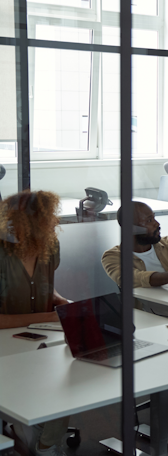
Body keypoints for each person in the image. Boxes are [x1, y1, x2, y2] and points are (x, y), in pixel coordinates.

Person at [0, 191, 72, 456]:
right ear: (20, 222)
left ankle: (44, 444)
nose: (53, 224)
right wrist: (47, 317)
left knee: (71, 380)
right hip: (6, 345)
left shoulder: (49, 246)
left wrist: (61, 301)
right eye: (45, 219)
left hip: (41, 338)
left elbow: (43, 289)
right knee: (30, 393)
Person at [102, 202, 168, 288]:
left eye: (154, 218)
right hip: (147, 311)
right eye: (149, 220)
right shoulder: (113, 257)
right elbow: (132, 278)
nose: (157, 223)